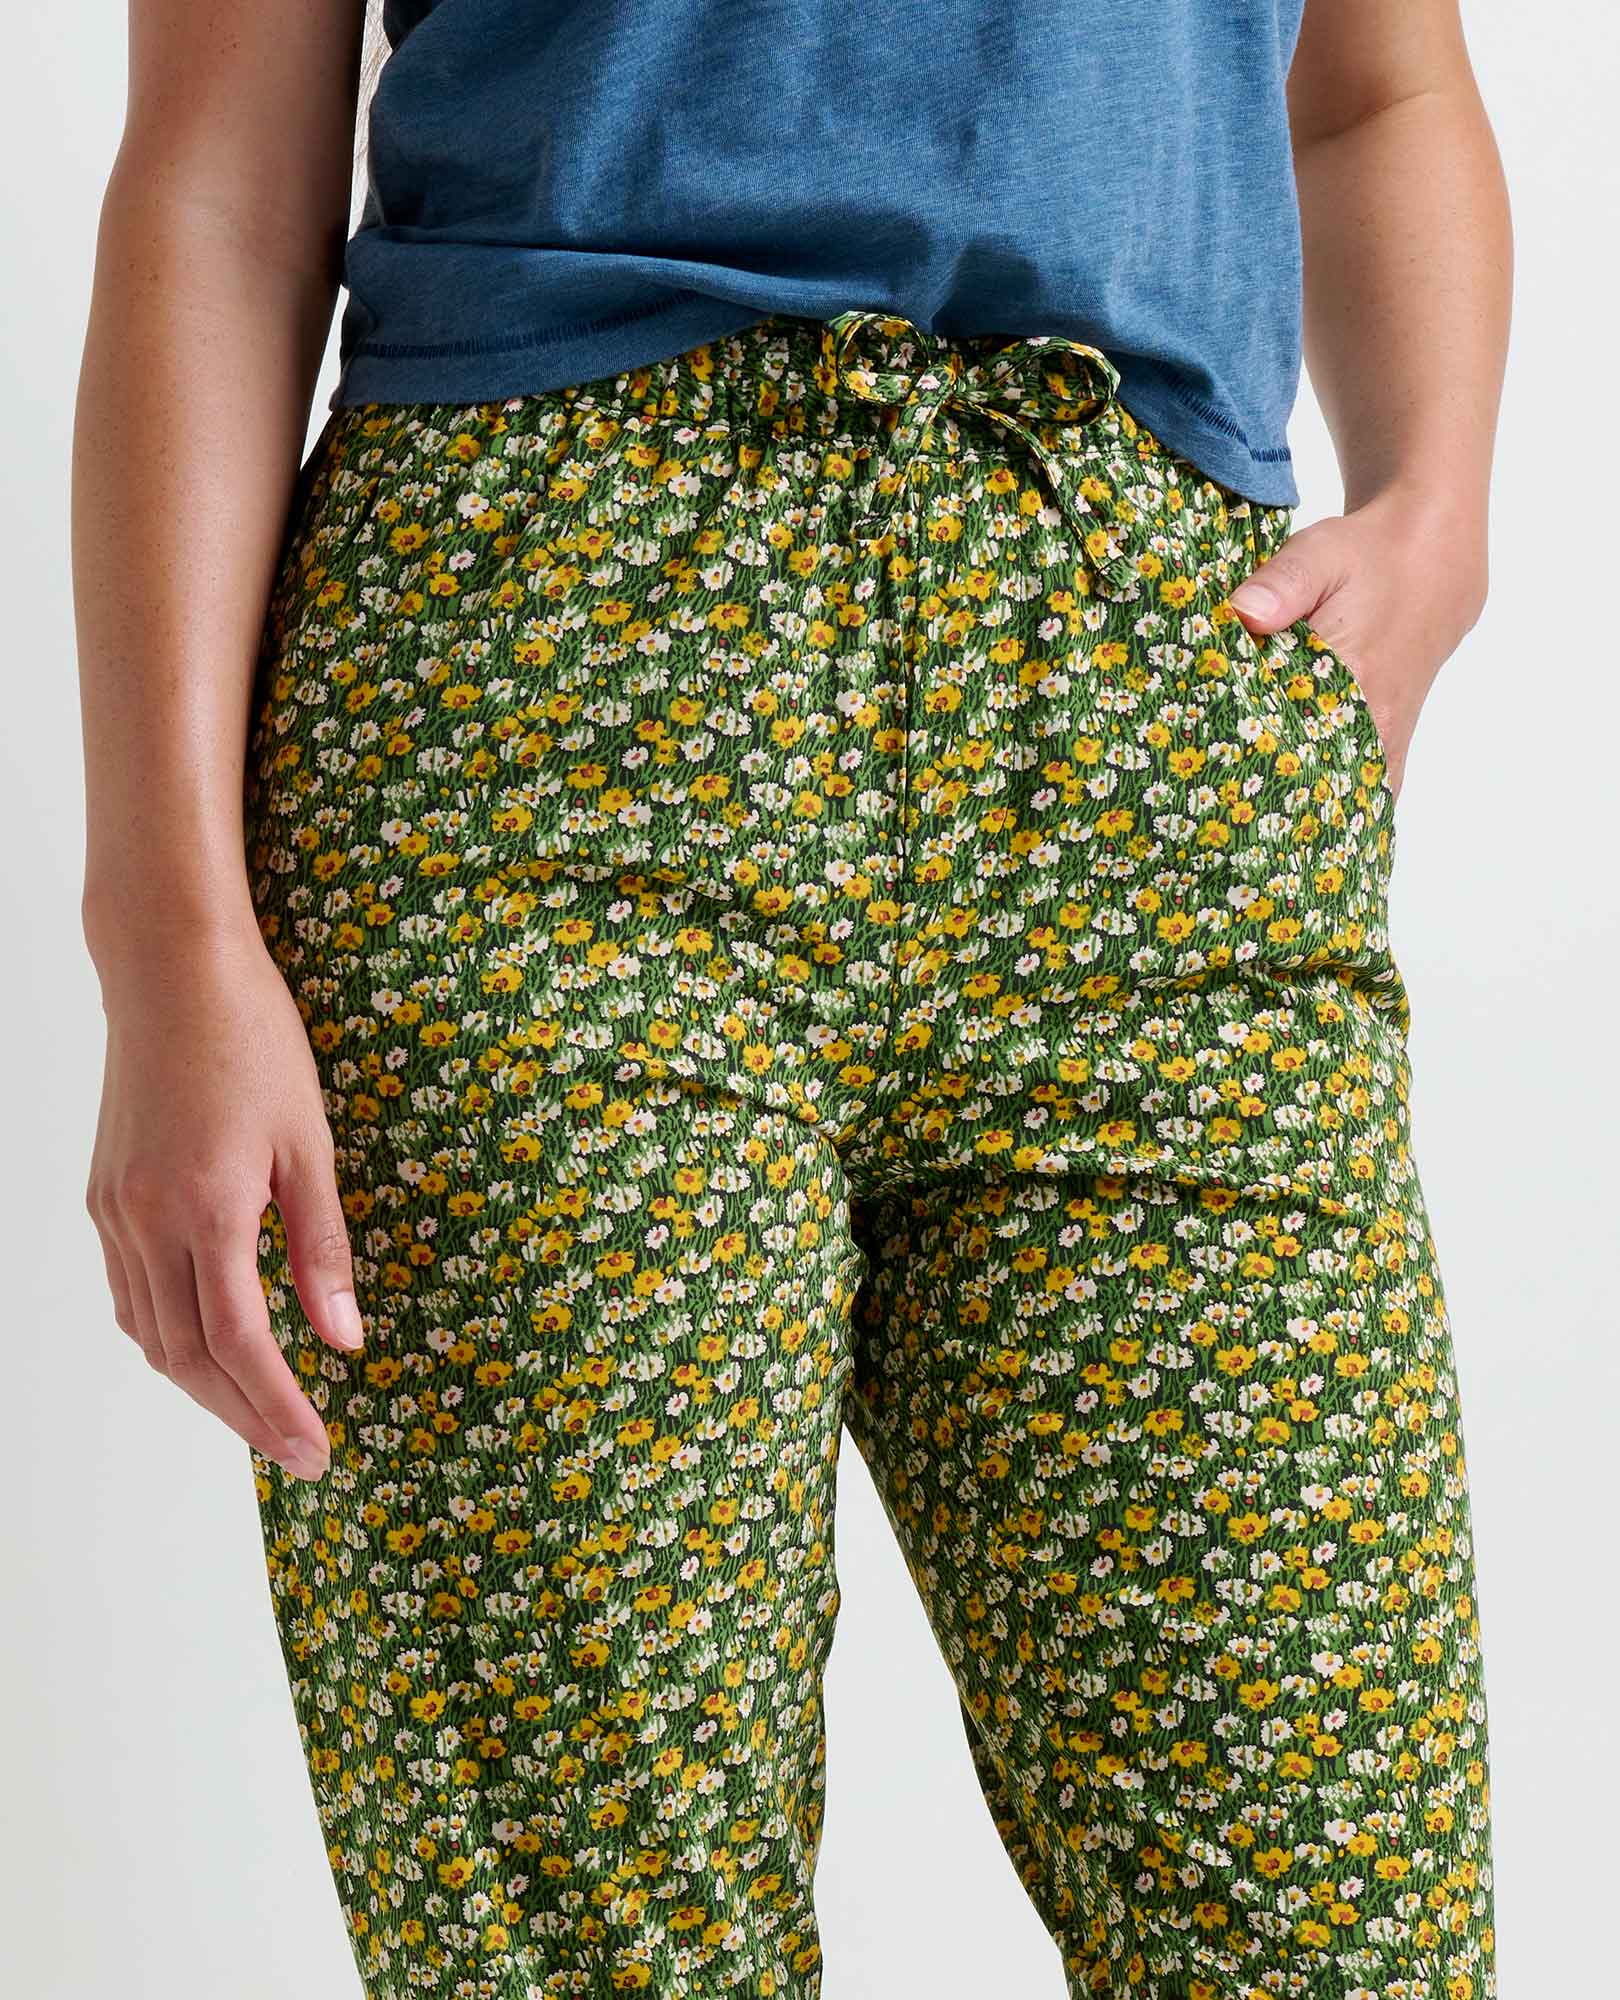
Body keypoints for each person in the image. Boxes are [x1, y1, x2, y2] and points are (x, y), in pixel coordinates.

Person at [73, 3, 1509, 1996]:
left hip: (1151, 730)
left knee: (1336, 1927)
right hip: (543, 713)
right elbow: (220, 178)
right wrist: (165, 936)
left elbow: (1376, 86)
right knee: (595, 1947)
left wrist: (1440, 510)